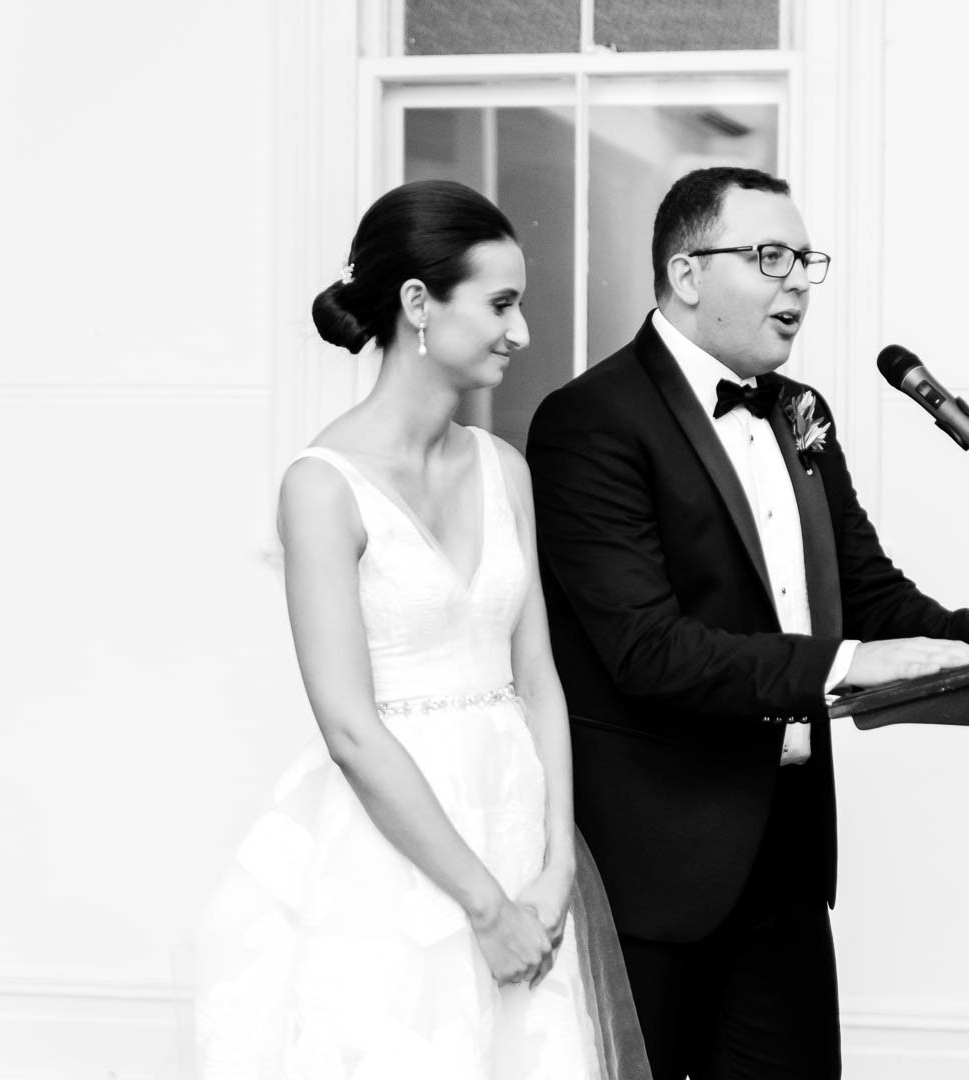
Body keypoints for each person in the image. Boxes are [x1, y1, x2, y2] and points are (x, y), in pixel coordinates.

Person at [525, 166, 969, 1079]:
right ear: (685, 273)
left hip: (785, 847)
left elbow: (868, 594)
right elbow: (646, 650)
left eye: (804, 261)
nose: (796, 285)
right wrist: (847, 665)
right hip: (654, 862)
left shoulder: (799, 412)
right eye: (769, 258)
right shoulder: (589, 420)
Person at [195, 179, 648, 1079]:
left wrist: (556, 862)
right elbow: (348, 727)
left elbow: (539, 676)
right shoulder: (321, 487)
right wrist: (485, 908)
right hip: (395, 848)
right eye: (502, 304)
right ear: (417, 304)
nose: (521, 333)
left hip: (517, 823)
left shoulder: (504, 468)